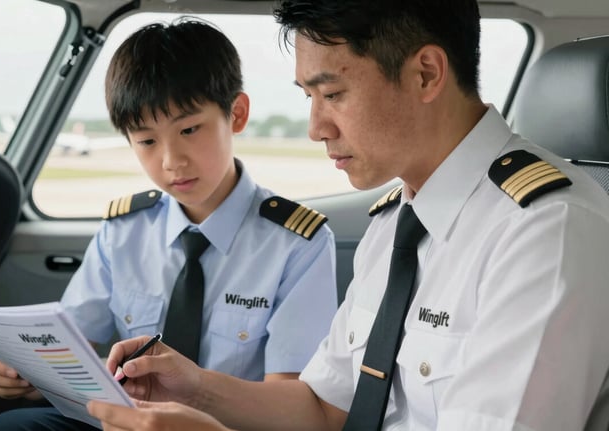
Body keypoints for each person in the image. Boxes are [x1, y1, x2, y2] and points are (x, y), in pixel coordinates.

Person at [86, 1, 609, 430]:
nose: (316, 128)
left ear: (425, 73)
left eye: (333, 94)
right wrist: (194, 387)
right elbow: (324, 407)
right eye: (309, 98)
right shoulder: (396, 224)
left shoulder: (546, 232)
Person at [0, 17, 338, 431]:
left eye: (189, 129)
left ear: (236, 114)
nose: (171, 161)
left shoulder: (296, 244)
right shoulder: (124, 231)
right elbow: (68, 346)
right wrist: (24, 369)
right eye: (147, 140)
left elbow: (294, 407)